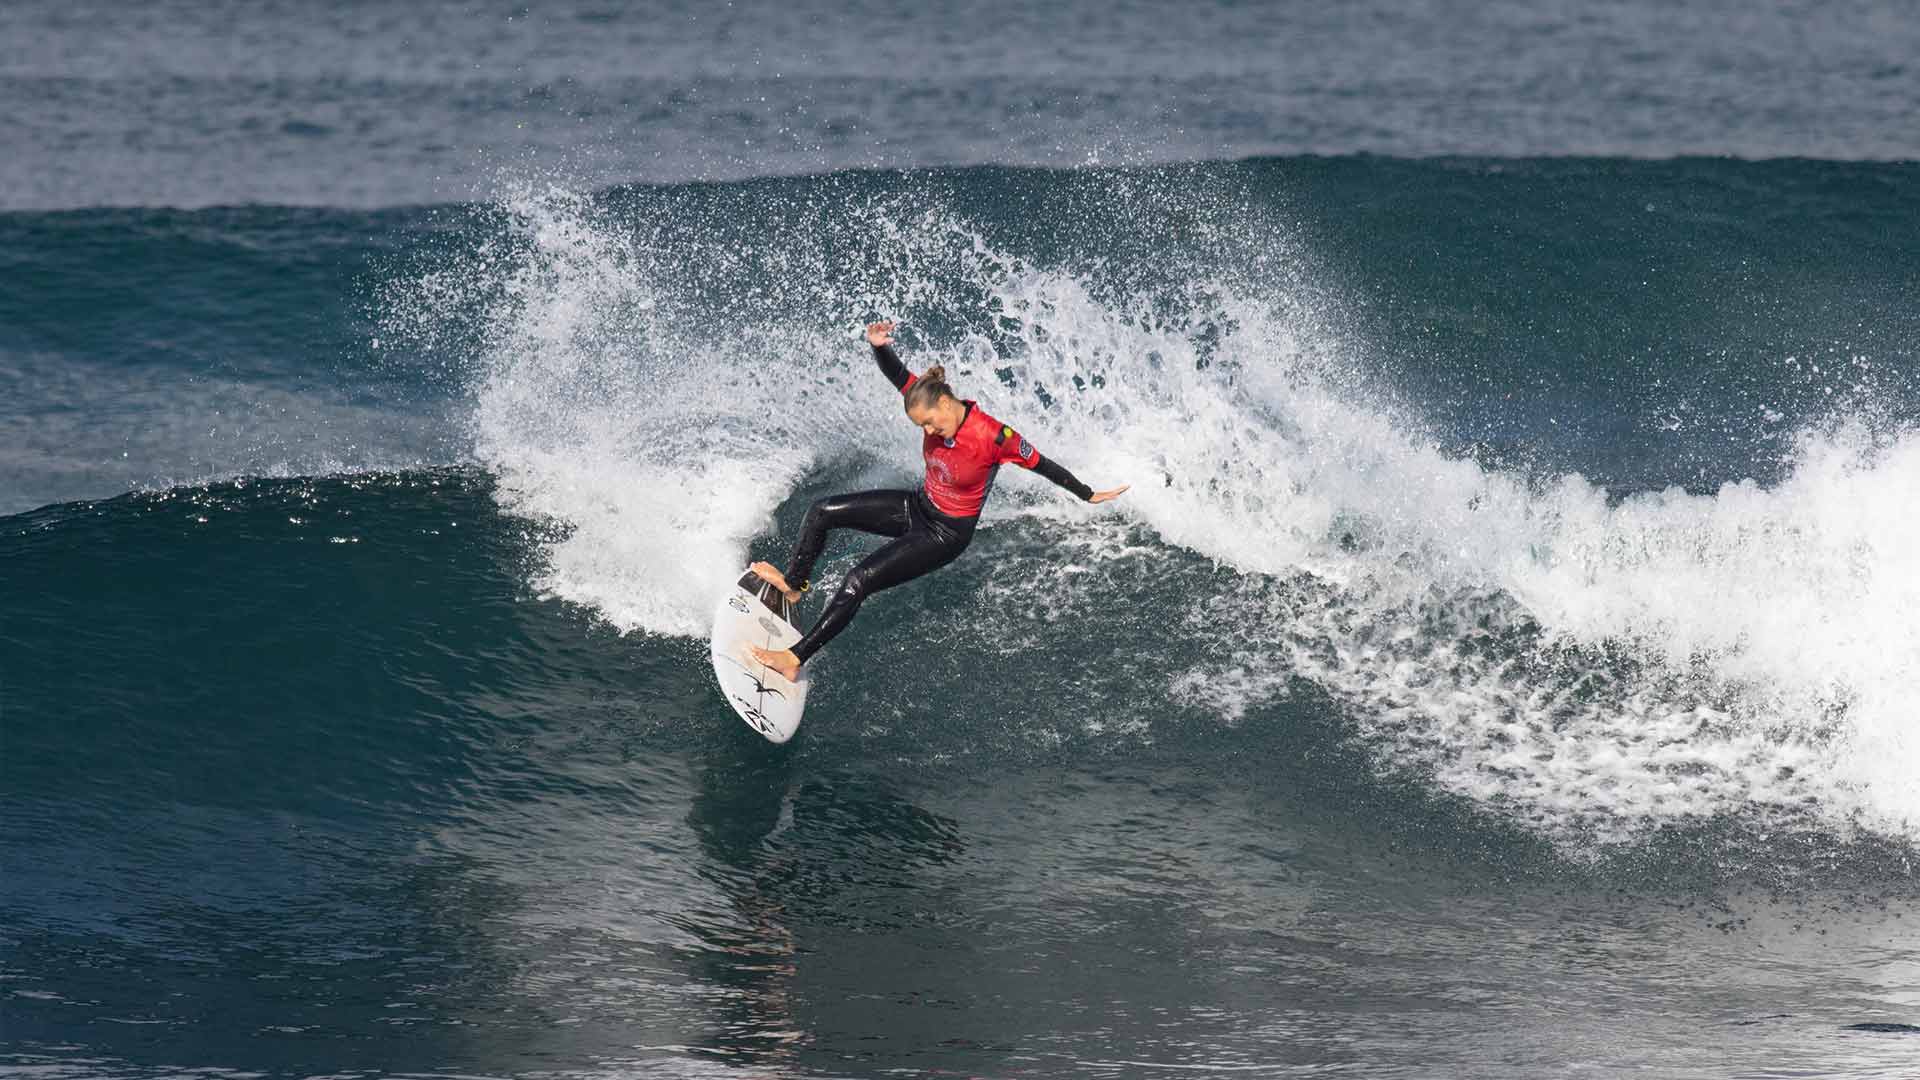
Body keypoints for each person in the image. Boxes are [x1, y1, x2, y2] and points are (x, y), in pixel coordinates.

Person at [747, 320, 1128, 681]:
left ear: (946, 403)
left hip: (945, 534)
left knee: (856, 581)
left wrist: (1087, 493)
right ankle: (794, 586)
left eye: (930, 423)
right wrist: (879, 348)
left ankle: (794, 659)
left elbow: (1043, 464)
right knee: (822, 511)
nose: (928, 431)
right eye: (921, 427)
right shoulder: (925, 395)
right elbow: (898, 376)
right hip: (918, 506)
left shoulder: (995, 437)